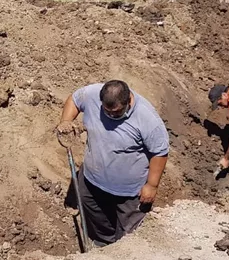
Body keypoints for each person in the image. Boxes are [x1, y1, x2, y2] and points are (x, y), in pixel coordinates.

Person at [56, 80, 169, 246]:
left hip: (129, 193)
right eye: (106, 111)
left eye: (116, 112)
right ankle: (103, 245)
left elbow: (159, 152)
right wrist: (66, 122)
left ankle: (125, 254)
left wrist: (152, 185)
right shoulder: (92, 94)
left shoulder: (148, 119)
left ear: (128, 101)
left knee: (130, 235)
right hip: (92, 181)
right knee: (95, 217)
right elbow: (74, 99)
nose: (111, 116)